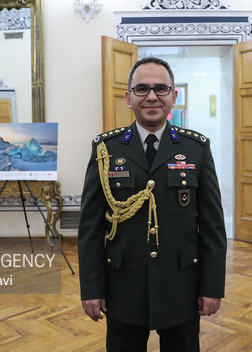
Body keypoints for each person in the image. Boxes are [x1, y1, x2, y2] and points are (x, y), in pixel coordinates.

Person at [78, 57, 227, 352]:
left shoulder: (195, 149)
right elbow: (90, 228)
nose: (151, 96)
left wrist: (212, 287)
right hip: (123, 286)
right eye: (142, 88)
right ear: (129, 98)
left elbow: (212, 227)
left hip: (181, 285)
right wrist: (92, 289)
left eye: (160, 88)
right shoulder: (106, 149)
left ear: (173, 96)